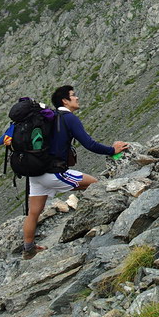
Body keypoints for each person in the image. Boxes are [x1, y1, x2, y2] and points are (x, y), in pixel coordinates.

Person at [21, 85, 129, 259]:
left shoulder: (47, 118)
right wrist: (112, 150)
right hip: (54, 173)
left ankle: (28, 250)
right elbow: (89, 144)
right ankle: (101, 222)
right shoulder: (68, 118)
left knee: (34, 213)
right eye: (73, 95)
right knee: (96, 184)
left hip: (36, 174)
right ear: (65, 100)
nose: (77, 98)